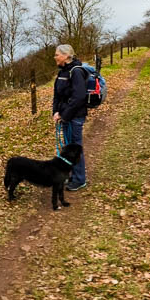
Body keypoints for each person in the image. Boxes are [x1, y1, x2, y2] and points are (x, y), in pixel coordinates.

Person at [51, 44, 89, 191]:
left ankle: (80, 179)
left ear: (66, 56)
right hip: (65, 117)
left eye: (57, 55)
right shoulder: (62, 72)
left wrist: (64, 114)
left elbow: (78, 97)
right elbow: (57, 95)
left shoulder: (76, 72)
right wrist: (56, 112)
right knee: (68, 147)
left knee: (75, 148)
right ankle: (72, 176)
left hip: (75, 117)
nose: (55, 57)